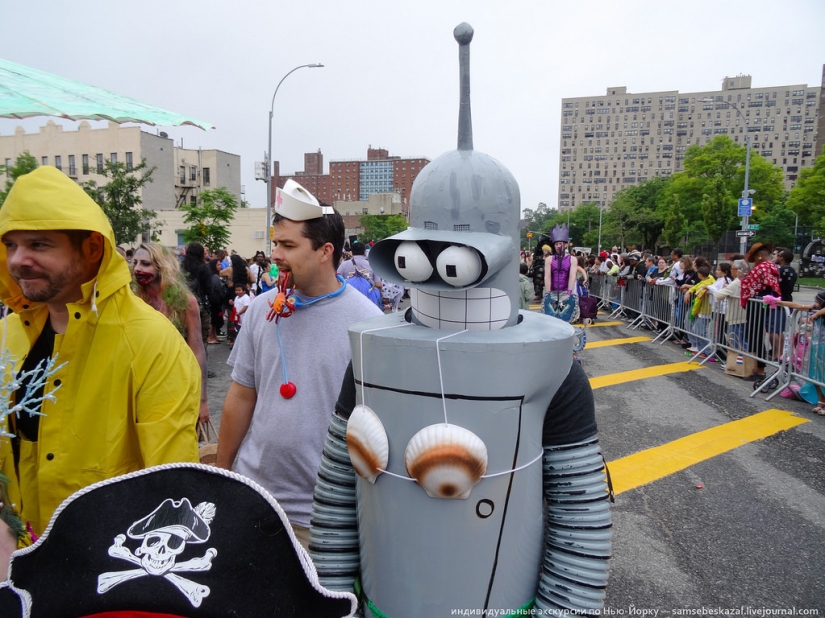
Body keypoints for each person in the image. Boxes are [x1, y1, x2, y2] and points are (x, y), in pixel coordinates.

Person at [0, 166, 200, 575]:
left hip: (106, 573)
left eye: (38, 244)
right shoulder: (6, 337)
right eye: (10, 244)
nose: (19, 260)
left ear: (92, 248)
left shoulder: (150, 343)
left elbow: (171, 489)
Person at [215, 179, 382, 548]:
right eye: (275, 242)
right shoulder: (261, 309)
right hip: (253, 498)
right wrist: (223, 473)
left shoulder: (367, 324)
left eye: (288, 245)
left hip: (324, 514)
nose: (275, 254)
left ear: (325, 251)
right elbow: (242, 395)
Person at [131, 243, 209, 423]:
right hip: (141, 387)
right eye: (135, 263)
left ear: (161, 266)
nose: (137, 268)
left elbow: (197, 351)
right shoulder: (132, 300)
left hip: (175, 386)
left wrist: (202, 400)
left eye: (145, 263)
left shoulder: (184, 301)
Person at [740, 242, 781, 381]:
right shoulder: (770, 267)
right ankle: (756, 368)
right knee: (755, 336)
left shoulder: (763, 268)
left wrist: (745, 282)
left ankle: (760, 370)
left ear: (758, 256)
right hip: (761, 305)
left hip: (757, 305)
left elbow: (749, 285)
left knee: (755, 337)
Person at [337, 240, 383, 308]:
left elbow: (337, 281)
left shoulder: (344, 265)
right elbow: (378, 285)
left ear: (352, 252)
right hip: (368, 301)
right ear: (364, 252)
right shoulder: (371, 265)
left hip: (349, 300)